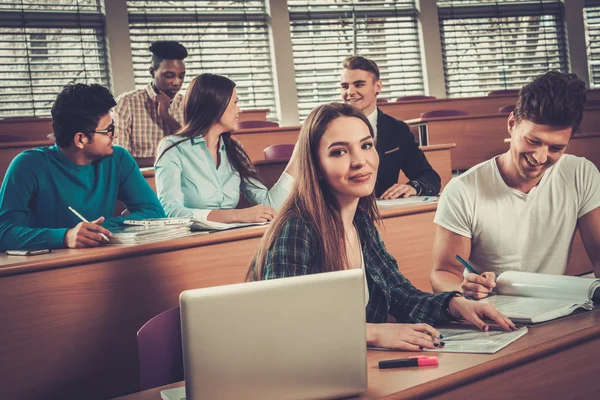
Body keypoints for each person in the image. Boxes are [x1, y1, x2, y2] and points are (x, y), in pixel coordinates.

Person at [246, 103, 516, 351]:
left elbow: (400, 295)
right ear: (315, 165)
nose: (360, 161)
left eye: (366, 146)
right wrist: (372, 333)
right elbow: (284, 323)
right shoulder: (296, 228)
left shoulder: (360, 222)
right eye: (339, 151)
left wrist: (456, 304)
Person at [430, 71, 600, 299]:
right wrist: (462, 288)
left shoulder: (580, 173)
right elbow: (442, 273)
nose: (540, 157)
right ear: (512, 123)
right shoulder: (462, 190)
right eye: (533, 141)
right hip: (494, 312)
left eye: (556, 148)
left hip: (558, 308)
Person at [0, 84, 166, 251]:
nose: (114, 135)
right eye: (108, 130)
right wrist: (65, 236)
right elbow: (3, 233)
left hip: (101, 259)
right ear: (80, 139)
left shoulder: (119, 159)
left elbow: (154, 212)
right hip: (44, 267)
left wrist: (99, 229)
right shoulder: (27, 165)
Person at [155, 73, 297, 224]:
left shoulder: (235, 150)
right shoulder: (173, 148)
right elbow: (169, 210)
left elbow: (270, 206)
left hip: (230, 240)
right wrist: (236, 216)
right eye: (235, 102)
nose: (239, 110)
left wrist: (297, 158)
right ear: (216, 104)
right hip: (192, 242)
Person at [340, 56, 441, 199]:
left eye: (359, 85)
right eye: (345, 86)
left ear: (378, 87)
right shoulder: (329, 129)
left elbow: (430, 177)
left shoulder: (398, 130)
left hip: (385, 212)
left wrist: (413, 187)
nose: (350, 92)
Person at [113, 41, 188, 166]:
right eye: (169, 75)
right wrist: (169, 161)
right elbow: (120, 158)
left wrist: (166, 116)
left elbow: (192, 151)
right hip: (141, 180)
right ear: (152, 72)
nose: (177, 82)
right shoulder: (126, 103)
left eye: (181, 76)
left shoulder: (188, 104)